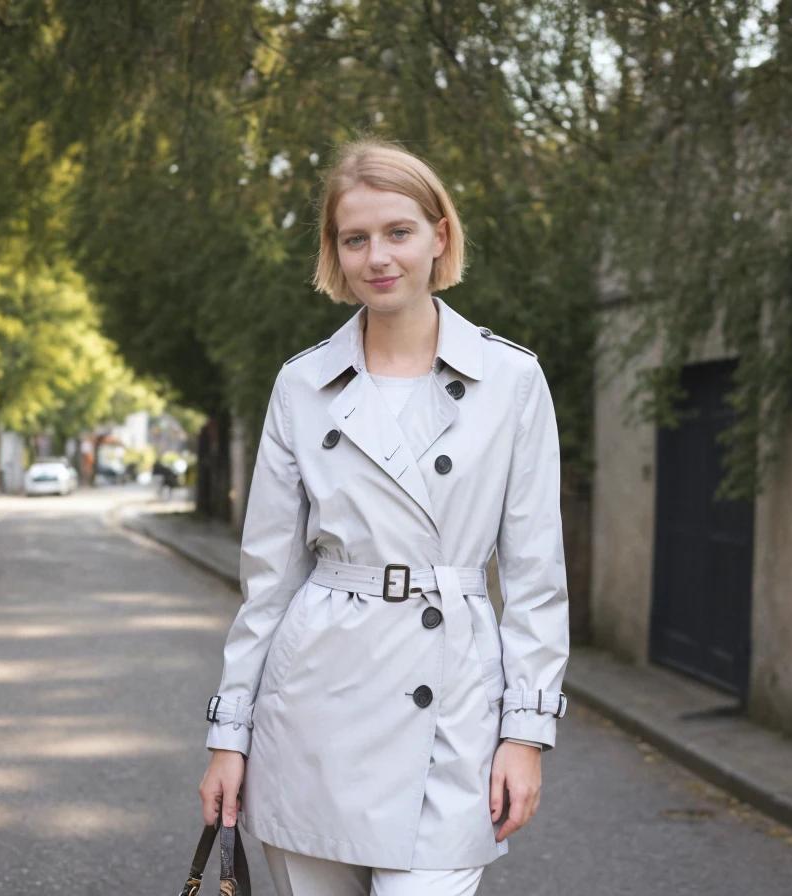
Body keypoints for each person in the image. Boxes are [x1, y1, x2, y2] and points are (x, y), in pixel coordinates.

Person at [198, 137, 570, 896]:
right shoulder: (303, 385)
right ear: (336, 252)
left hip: (453, 711)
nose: (379, 257)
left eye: (398, 232)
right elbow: (268, 584)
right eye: (355, 238)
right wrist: (229, 738)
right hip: (312, 714)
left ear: (440, 235)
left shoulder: (511, 379)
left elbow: (535, 575)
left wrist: (526, 734)